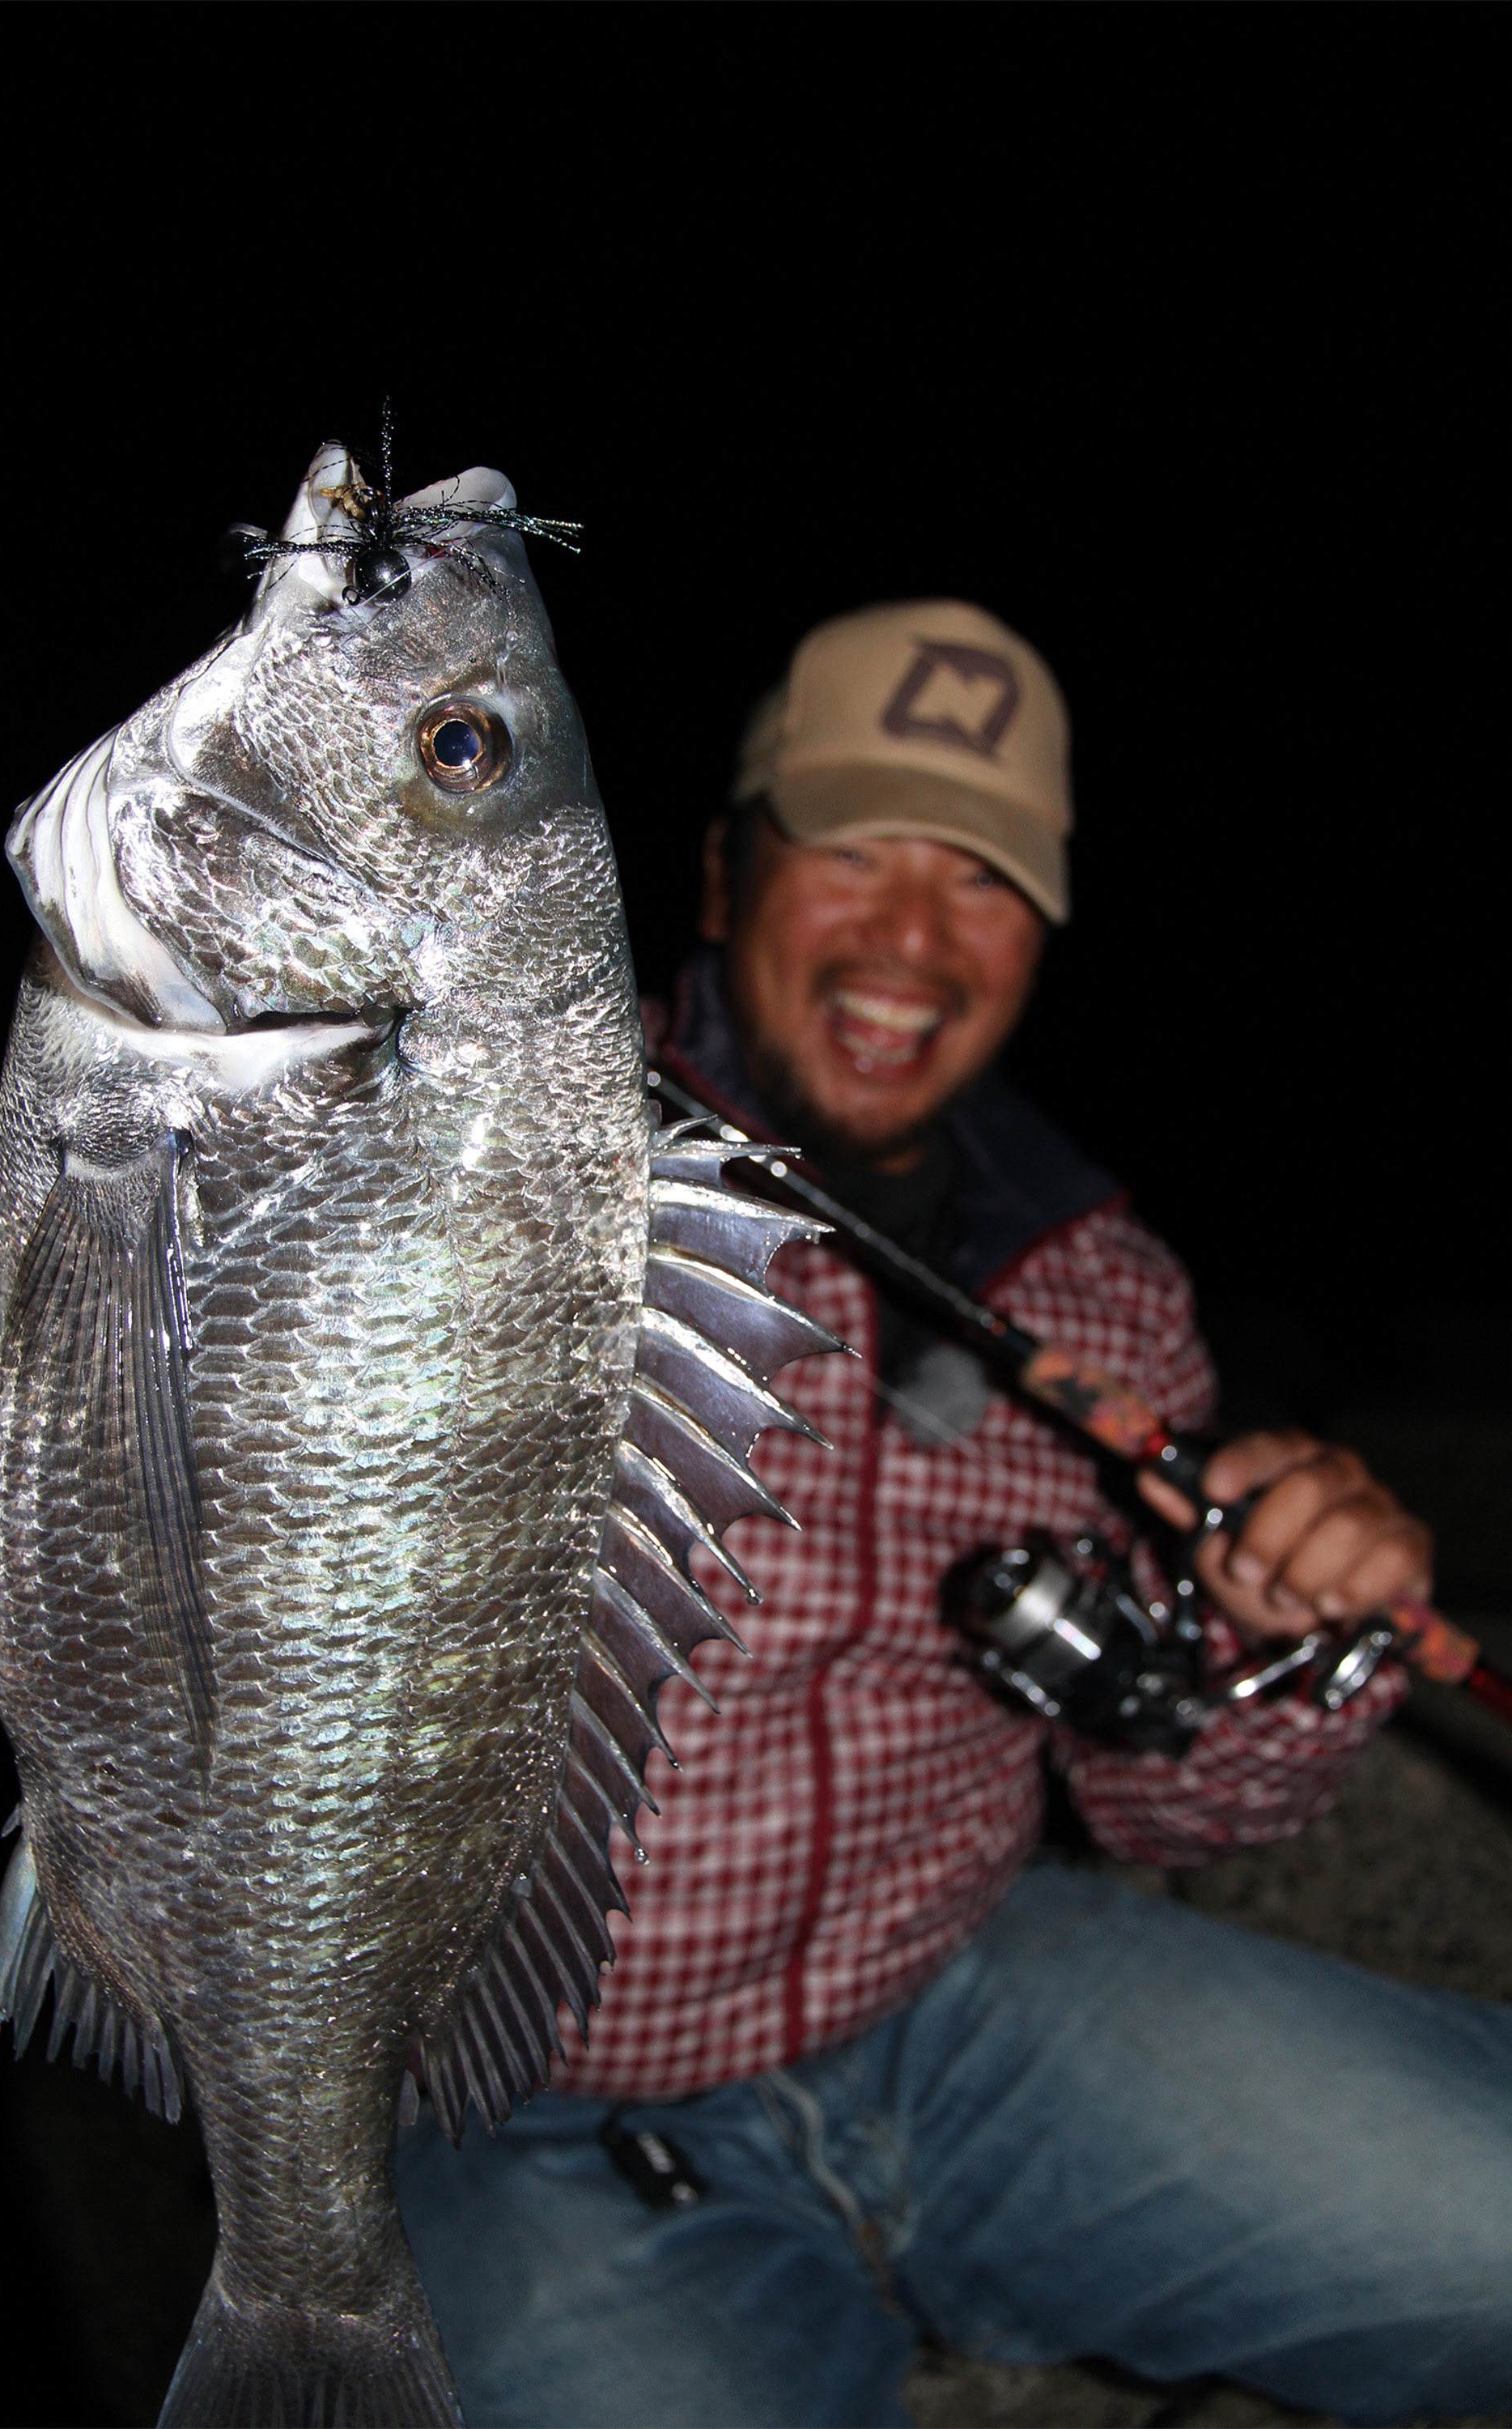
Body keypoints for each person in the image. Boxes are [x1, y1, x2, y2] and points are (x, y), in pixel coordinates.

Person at [397, 601, 1511, 2427]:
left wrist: (1277, 1637)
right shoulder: (467, 1162)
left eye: (980, 880)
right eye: (849, 847)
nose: (909, 937)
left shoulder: (1098, 1285)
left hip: (960, 2005)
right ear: (717, 875)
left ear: (1037, 940)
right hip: (509, 2103)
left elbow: (1166, 1793)